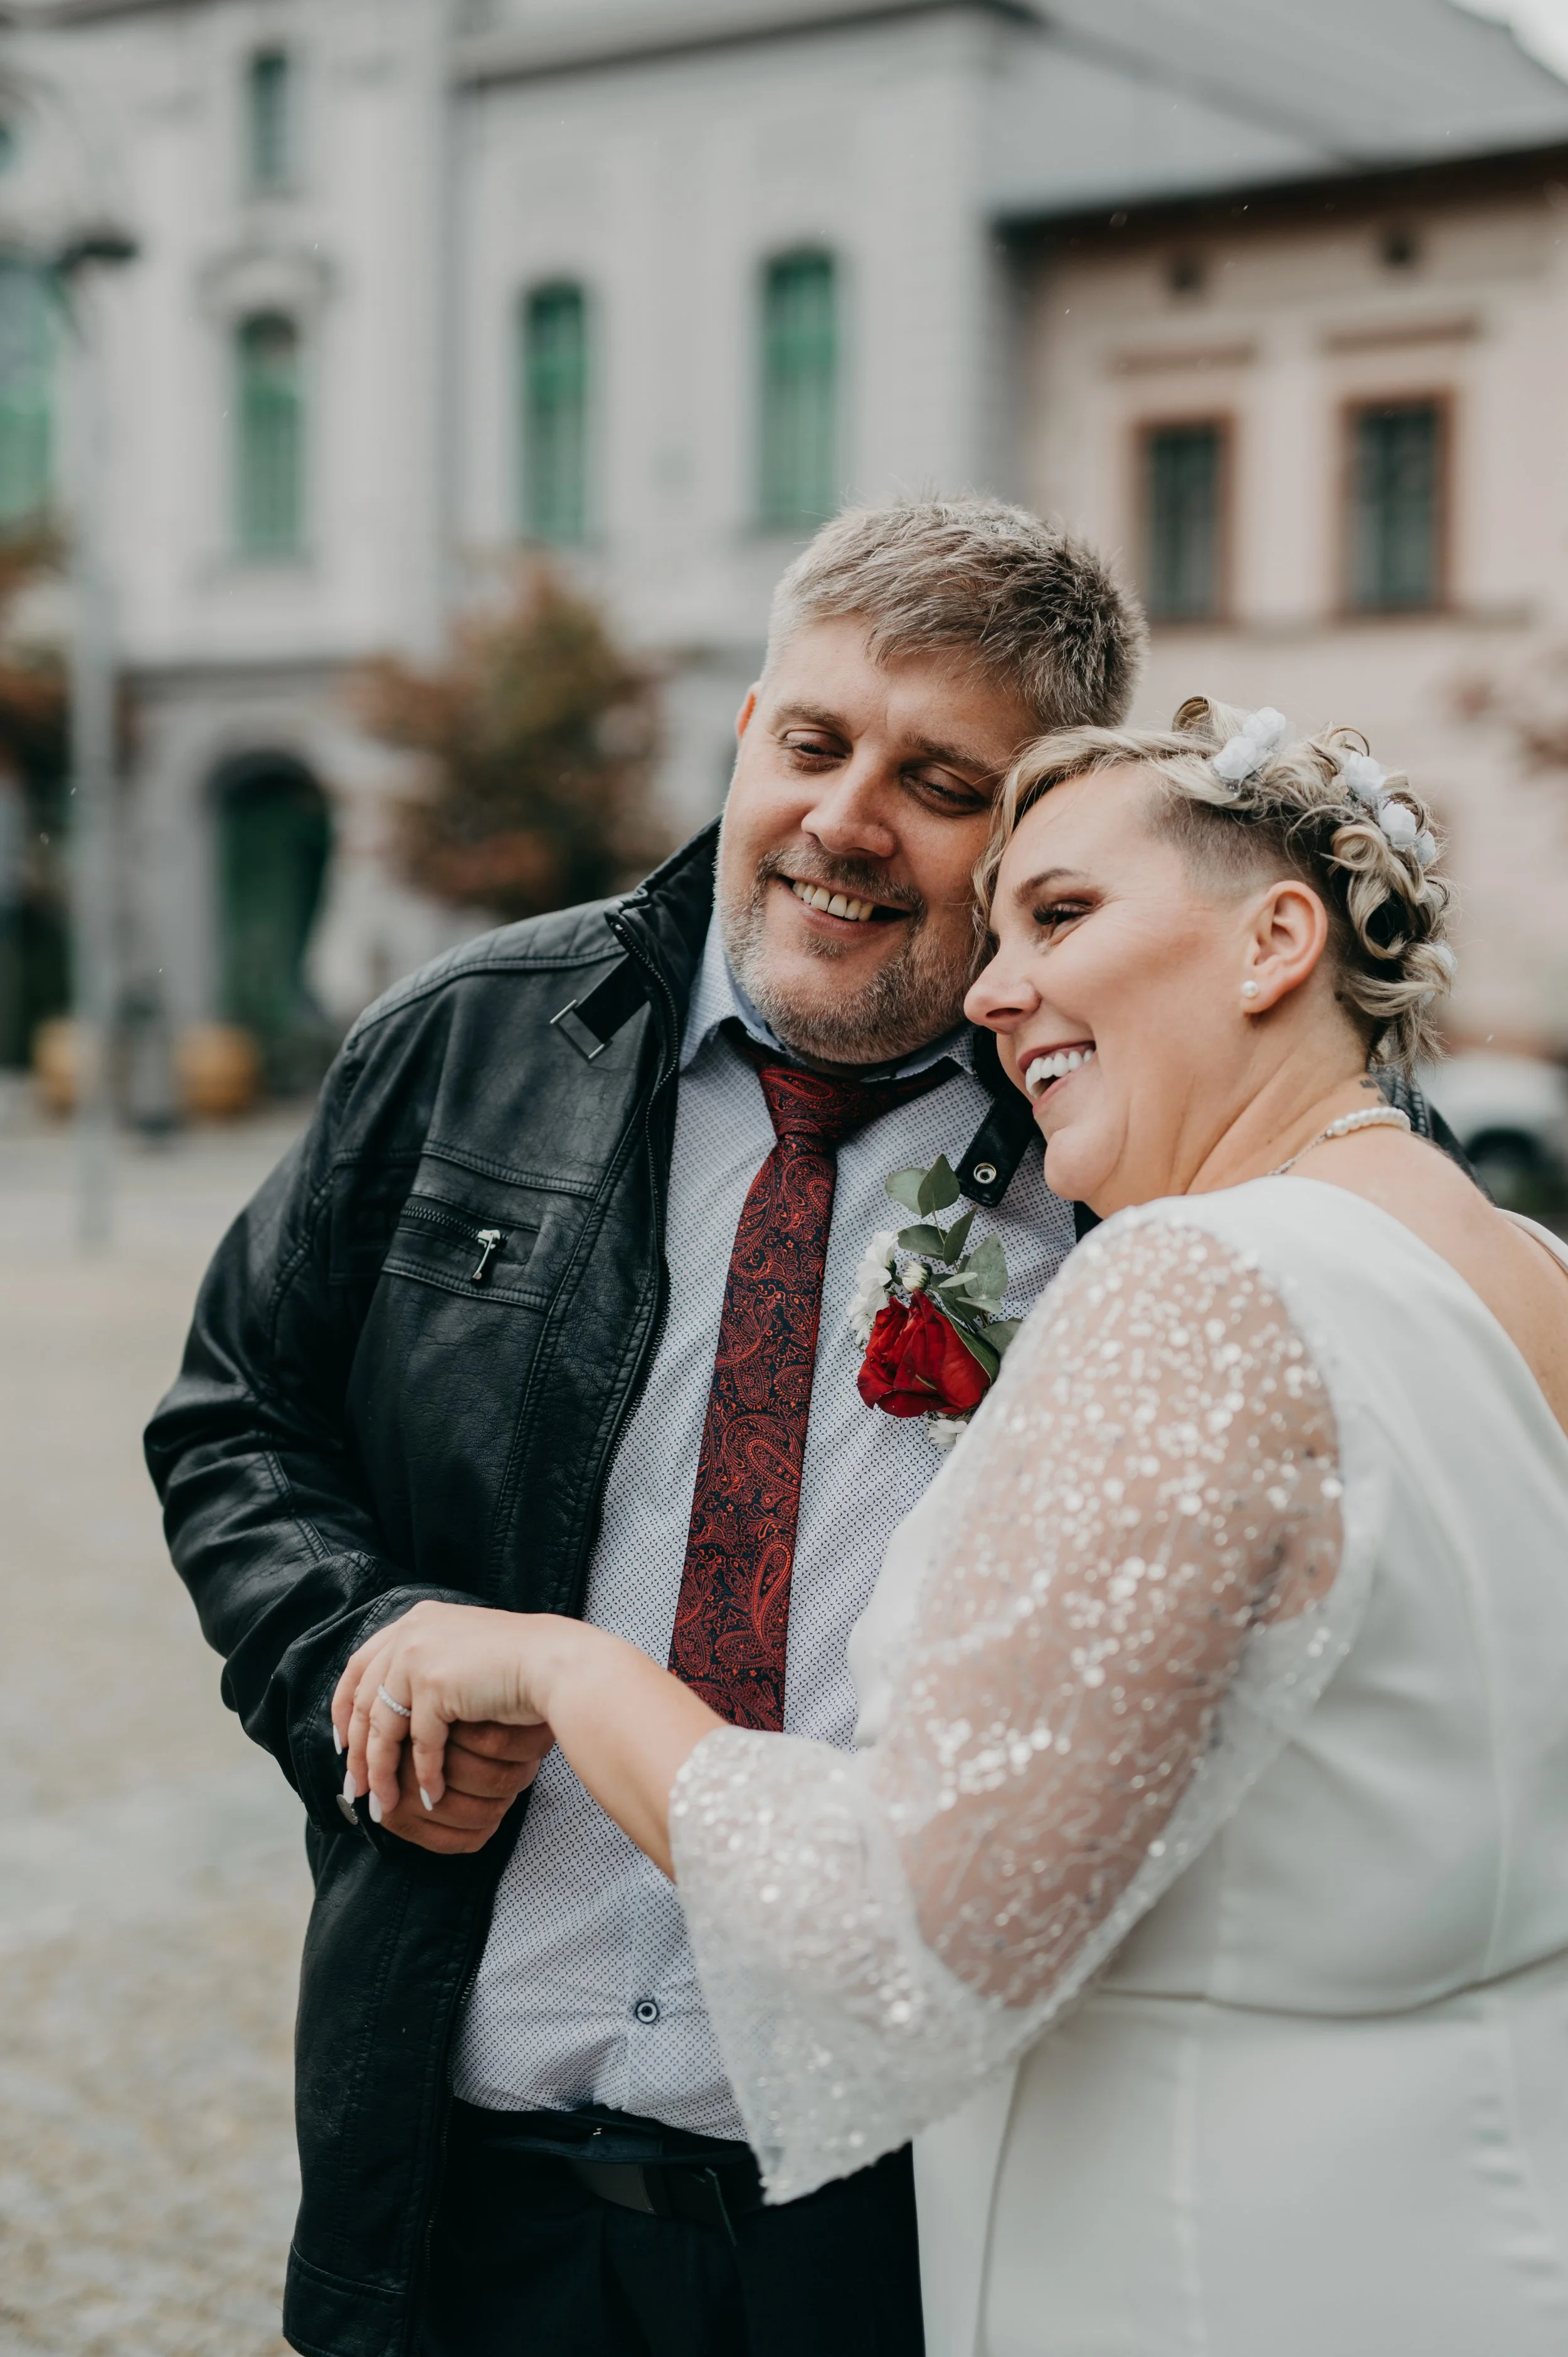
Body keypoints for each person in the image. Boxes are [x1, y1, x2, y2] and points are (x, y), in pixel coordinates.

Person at [338, 698, 1568, 2357]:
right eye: (994, 934)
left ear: (1277, 938)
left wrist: (565, 1673)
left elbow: (904, 1930)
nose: (990, 994)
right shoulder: (1519, 1270)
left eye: (1058, 913)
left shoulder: (1196, 1281)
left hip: (1206, 2261)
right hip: (1471, 2232)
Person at [146, 498, 1147, 2357]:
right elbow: (238, 1415)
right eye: (815, 741)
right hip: (475, 2177)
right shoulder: (470, 1036)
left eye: (939, 779)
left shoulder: (1124, 1148)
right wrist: (355, 1659)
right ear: (748, 725)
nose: (847, 818)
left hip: (916, 2209)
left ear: (1037, 834)